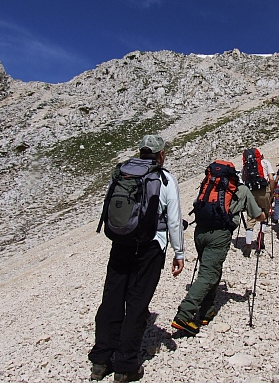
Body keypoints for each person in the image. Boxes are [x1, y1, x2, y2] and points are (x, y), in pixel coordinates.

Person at [89, 135, 185, 383]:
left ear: (141, 152)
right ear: (161, 154)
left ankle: (100, 360)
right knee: (137, 302)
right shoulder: (164, 178)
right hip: (151, 246)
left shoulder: (123, 173)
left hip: (120, 243)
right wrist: (179, 253)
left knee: (112, 297)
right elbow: (174, 220)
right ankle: (125, 365)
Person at [171, 166, 265, 336]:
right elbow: (256, 213)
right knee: (208, 274)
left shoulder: (209, 185)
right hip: (220, 235)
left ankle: (206, 312)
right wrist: (264, 216)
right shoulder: (241, 189)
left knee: (211, 270)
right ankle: (184, 314)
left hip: (200, 232)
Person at [241, 149, 276, 257]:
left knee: (251, 217)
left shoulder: (245, 166)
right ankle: (260, 240)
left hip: (251, 192)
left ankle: (248, 245)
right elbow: (271, 178)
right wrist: (272, 192)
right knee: (265, 214)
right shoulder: (265, 162)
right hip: (264, 191)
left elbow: (243, 180)